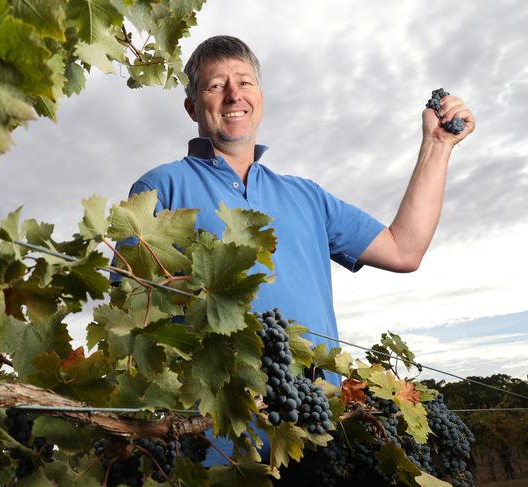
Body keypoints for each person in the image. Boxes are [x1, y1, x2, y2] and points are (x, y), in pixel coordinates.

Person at [126, 35, 475, 464]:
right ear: (192, 107)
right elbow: (134, 313)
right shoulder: (159, 187)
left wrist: (437, 146)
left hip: (318, 429)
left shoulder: (306, 195)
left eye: (245, 82)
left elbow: (404, 250)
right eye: (216, 85)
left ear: (261, 97)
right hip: (218, 446)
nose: (234, 94)